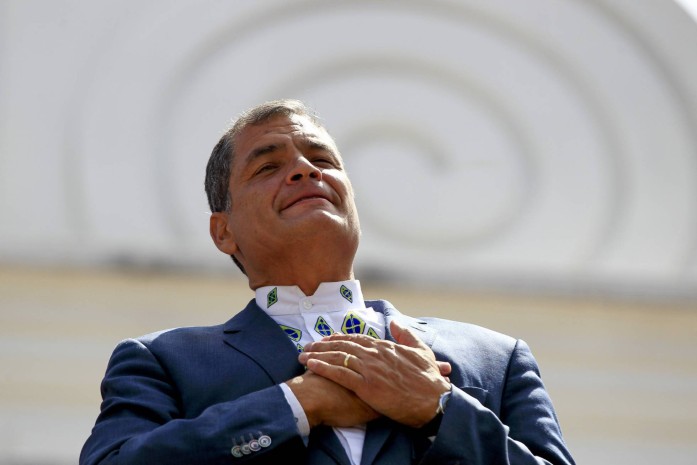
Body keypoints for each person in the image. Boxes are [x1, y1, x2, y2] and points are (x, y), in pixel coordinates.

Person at [80, 99, 575, 465]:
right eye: (269, 165)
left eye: (323, 161)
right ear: (223, 230)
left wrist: (440, 409)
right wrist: (299, 403)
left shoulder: (495, 360)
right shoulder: (164, 362)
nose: (303, 169)